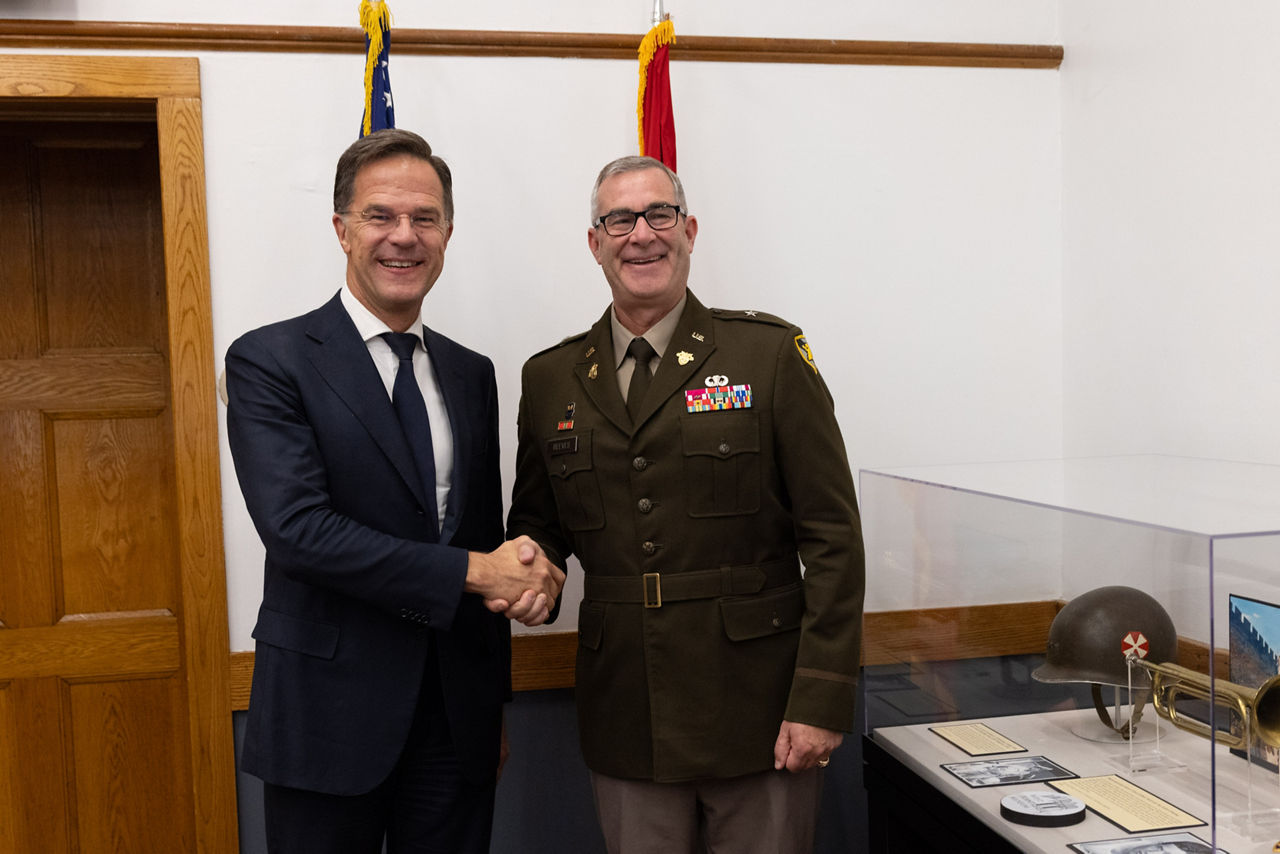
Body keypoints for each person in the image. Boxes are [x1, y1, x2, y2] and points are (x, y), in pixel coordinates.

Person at [504, 155, 865, 853]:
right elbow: (539, 523)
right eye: (619, 219)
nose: (641, 234)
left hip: (761, 713)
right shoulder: (550, 379)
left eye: (658, 215)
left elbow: (832, 537)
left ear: (689, 229)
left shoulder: (768, 356)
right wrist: (530, 570)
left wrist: (820, 699)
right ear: (594, 242)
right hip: (625, 713)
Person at [225, 128, 563, 854]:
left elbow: (480, 530)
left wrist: (491, 698)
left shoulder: (471, 373)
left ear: (447, 232)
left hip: (455, 724)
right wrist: (482, 573)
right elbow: (299, 530)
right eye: (381, 216)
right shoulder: (269, 360)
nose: (403, 237)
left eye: (425, 218)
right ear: (343, 229)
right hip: (325, 721)